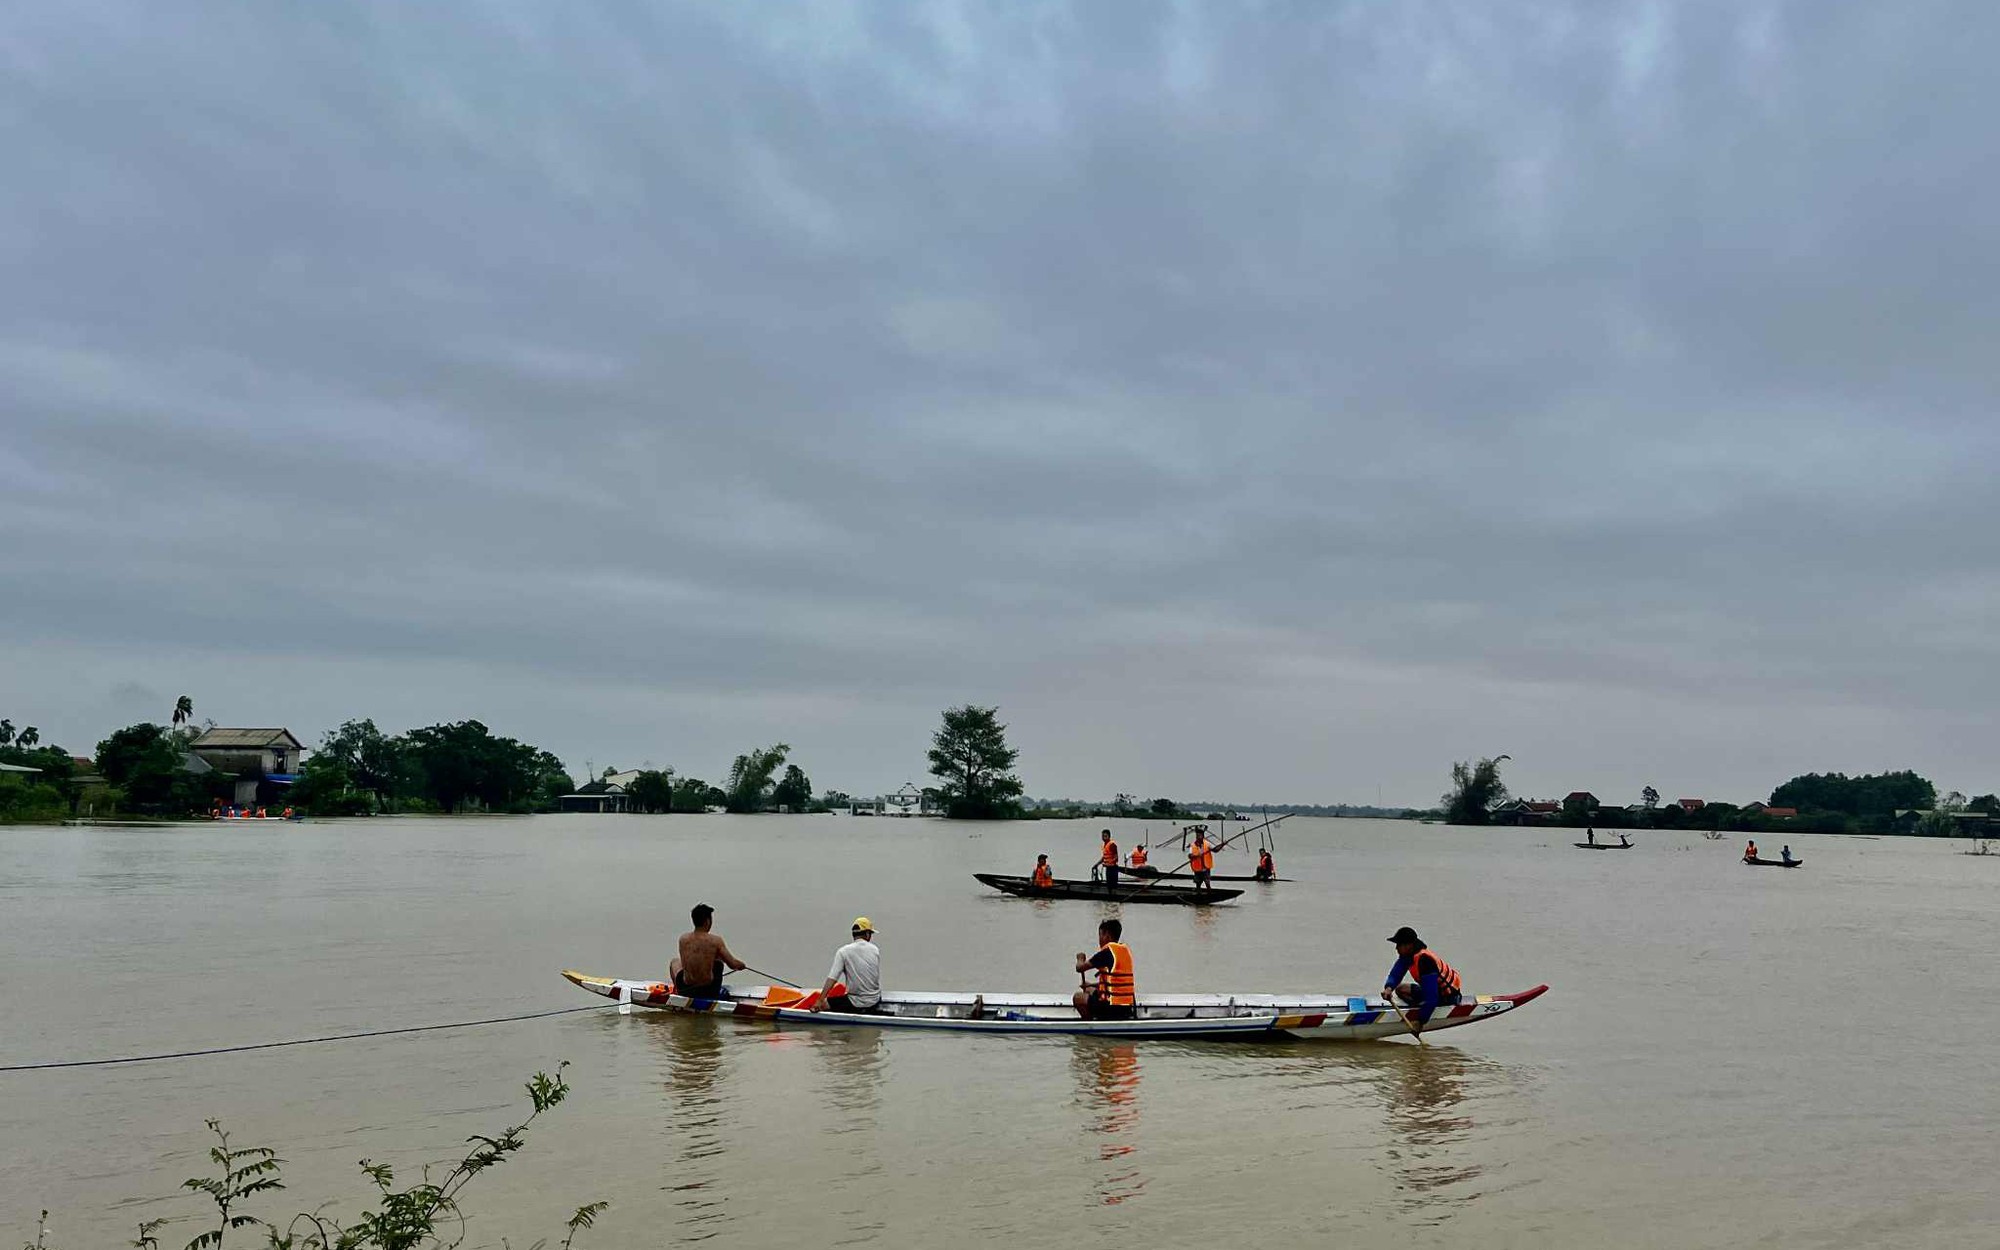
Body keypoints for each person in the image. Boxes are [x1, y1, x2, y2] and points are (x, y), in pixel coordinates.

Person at [1384, 926, 1463, 1033]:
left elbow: (1432, 998)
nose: (1396, 948)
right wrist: (1388, 988)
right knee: (1400, 989)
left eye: (1399, 945)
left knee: (1428, 1002)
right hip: (1433, 992)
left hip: (1447, 997)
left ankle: (1423, 1012)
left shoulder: (1425, 961)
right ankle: (1420, 1008)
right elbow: (1397, 972)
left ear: (1409, 945)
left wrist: (1420, 1022)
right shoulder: (1408, 955)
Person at [670, 903, 745, 1000]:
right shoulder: (715, 941)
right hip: (708, 991)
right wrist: (741, 965)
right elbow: (733, 964)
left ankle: (678, 992)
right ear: (707, 921)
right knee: (718, 961)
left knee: (675, 962)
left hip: (685, 989)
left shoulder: (683, 939)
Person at [813, 917, 882, 1014]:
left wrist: (820, 1000)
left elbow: (832, 978)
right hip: (875, 1000)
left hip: (855, 1002)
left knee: (824, 1004)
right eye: (870, 934)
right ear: (866, 934)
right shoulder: (875, 950)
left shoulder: (843, 952)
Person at [1073, 918, 1136, 1020]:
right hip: (1127, 1007)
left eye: (1100, 935)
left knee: (1078, 997)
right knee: (1089, 989)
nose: (1100, 939)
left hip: (1112, 1007)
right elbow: (1115, 984)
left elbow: (1080, 968)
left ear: (1107, 935)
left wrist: (1080, 958)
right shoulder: (1124, 951)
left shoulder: (1106, 952)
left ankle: (1090, 1024)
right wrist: (1090, 985)